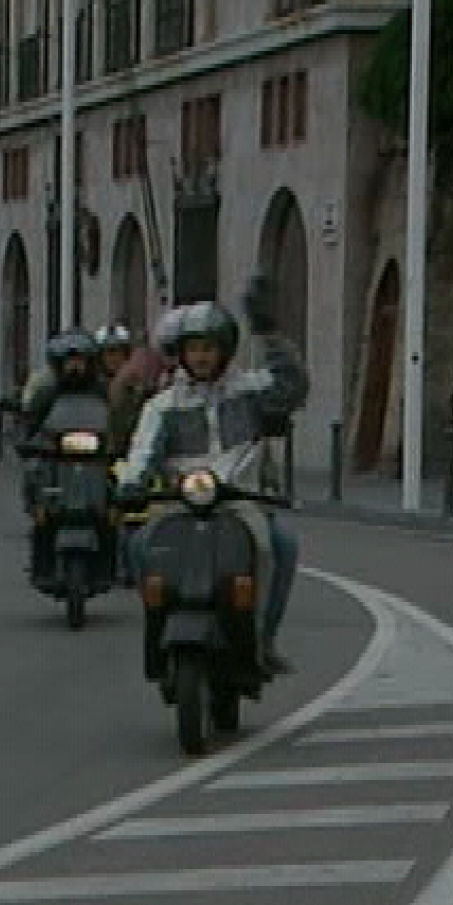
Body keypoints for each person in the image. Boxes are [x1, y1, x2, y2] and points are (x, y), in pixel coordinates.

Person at [117, 282, 308, 671]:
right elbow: (142, 450)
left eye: (208, 348)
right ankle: (159, 625)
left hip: (240, 502)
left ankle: (262, 638)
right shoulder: (163, 406)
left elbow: (293, 386)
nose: (201, 357)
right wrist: (133, 483)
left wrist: (270, 334)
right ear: (181, 354)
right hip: (178, 504)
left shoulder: (249, 391)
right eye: (193, 349)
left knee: (281, 545)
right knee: (139, 548)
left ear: (224, 350)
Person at [23, 329, 110, 583]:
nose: (75, 367)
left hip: (95, 459)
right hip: (55, 459)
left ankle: (111, 560)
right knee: (35, 477)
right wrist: (28, 442)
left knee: (114, 494)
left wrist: (120, 443)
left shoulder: (101, 391)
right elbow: (30, 423)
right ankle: (41, 557)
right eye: (70, 361)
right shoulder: (47, 392)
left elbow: (116, 420)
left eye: (80, 361)